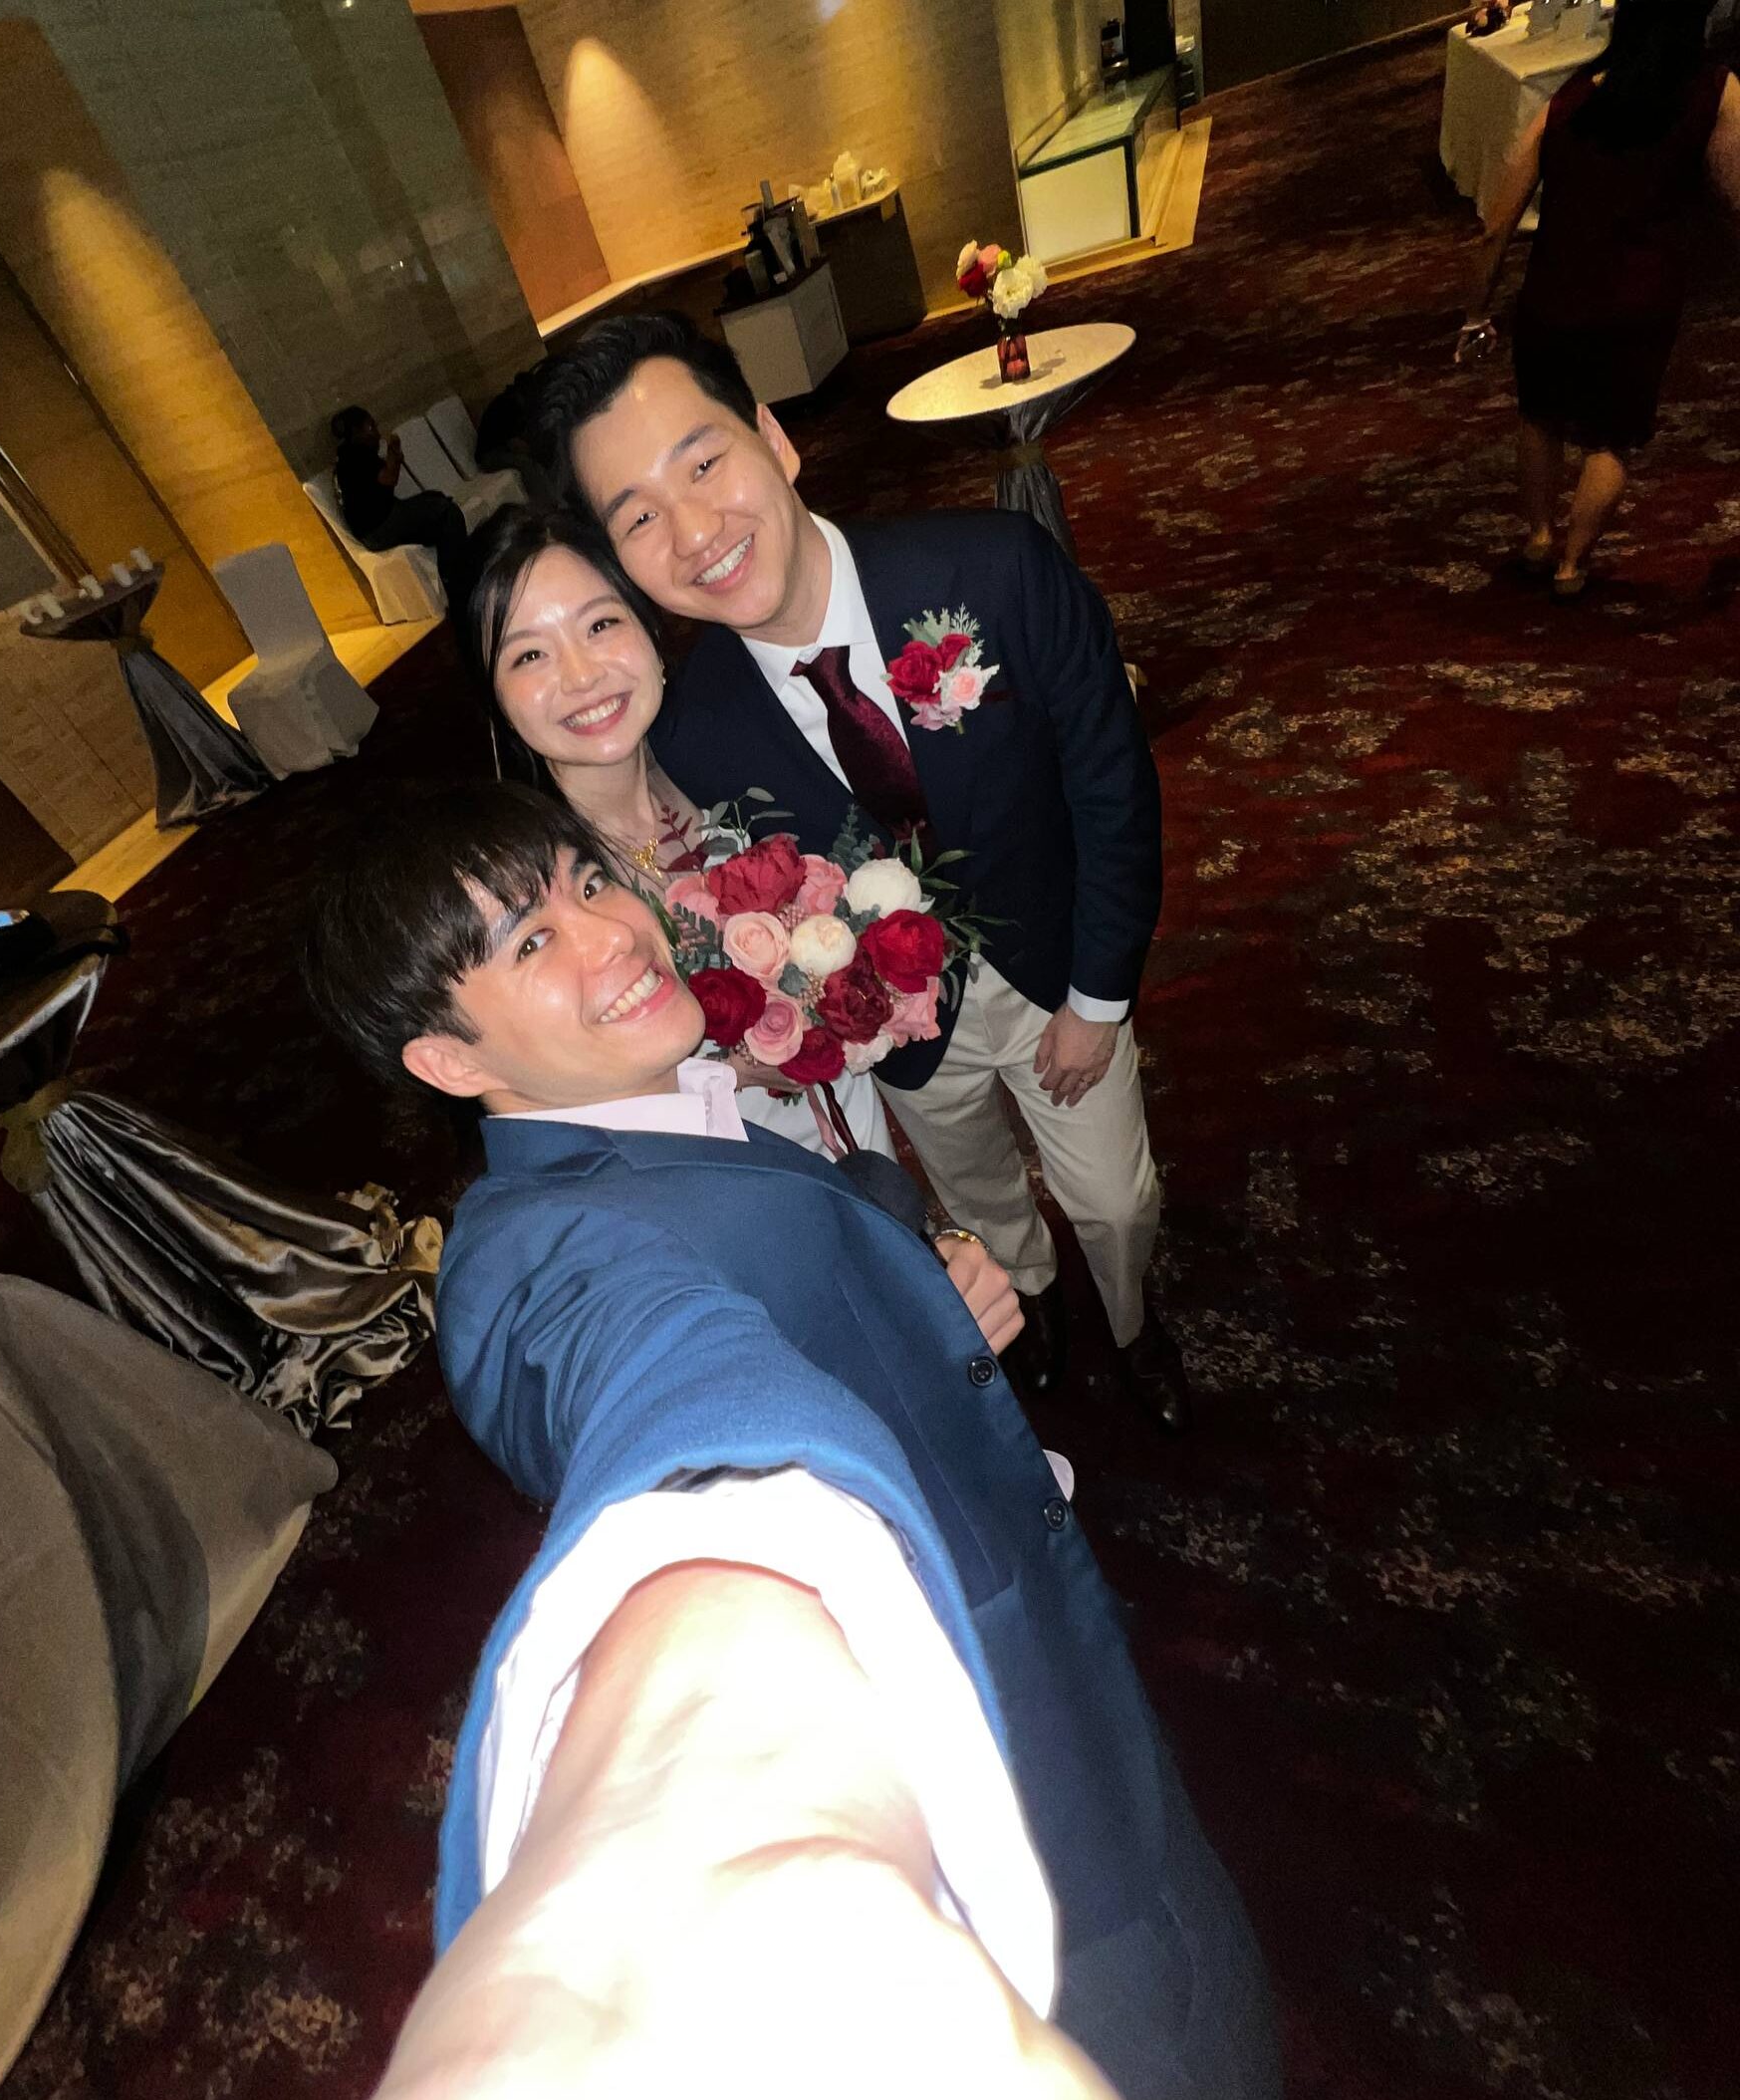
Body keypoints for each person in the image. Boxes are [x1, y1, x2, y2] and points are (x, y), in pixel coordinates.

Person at [299, 783, 1280, 2099]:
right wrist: (708, 1737)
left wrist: (924, 1297)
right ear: (453, 1061)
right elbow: (659, 1385)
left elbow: (781, 1258)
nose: (610, 937)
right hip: (997, 1779)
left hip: (1035, 1612)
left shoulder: (657, 1100)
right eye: (529, 943)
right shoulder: (531, 1265)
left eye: (586, 884)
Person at [525, 312, 1190, 1433]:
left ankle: (1130, 1315)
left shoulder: (996, 571)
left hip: (1064, 977)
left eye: (705, 461)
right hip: (906, 1043)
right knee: (979, 1196)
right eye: (638, 516)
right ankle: (1029, 1297)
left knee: (1117, 1200)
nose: (692, 533)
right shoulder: (694, 732)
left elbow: (1111, 787)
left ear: (774, 440)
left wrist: (1098, 997)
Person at [459, 500, 894, 1165]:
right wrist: (731, 1073)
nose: (582, 676)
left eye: (601, 624)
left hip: (852, 1110)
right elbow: (545, 1099)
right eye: (530, 656)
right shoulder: (526, 893)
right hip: (729, 1167)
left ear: (650, 631)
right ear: (496, 702)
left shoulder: (733, 758)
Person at [1459, 0, 1740, 596]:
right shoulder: (1714, 91)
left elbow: (1498, 223)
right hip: (1641, 297)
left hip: (1552, 289)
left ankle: (1538, 536)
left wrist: (1477, 312)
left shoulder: (1571, 98)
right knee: (1610, 439)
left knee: (1539, 416)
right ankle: (1572, 566)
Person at [329, 404, 475, 611]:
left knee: (436, 504)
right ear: (357, 432)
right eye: (370, 426)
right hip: (380, 527)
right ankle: (458, 585)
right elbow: (389, 478)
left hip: (380, 523)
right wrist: (393, 452)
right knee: (447, 512)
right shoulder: (356, 457)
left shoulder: (346, 458)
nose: (376, 431)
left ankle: (457, 581)